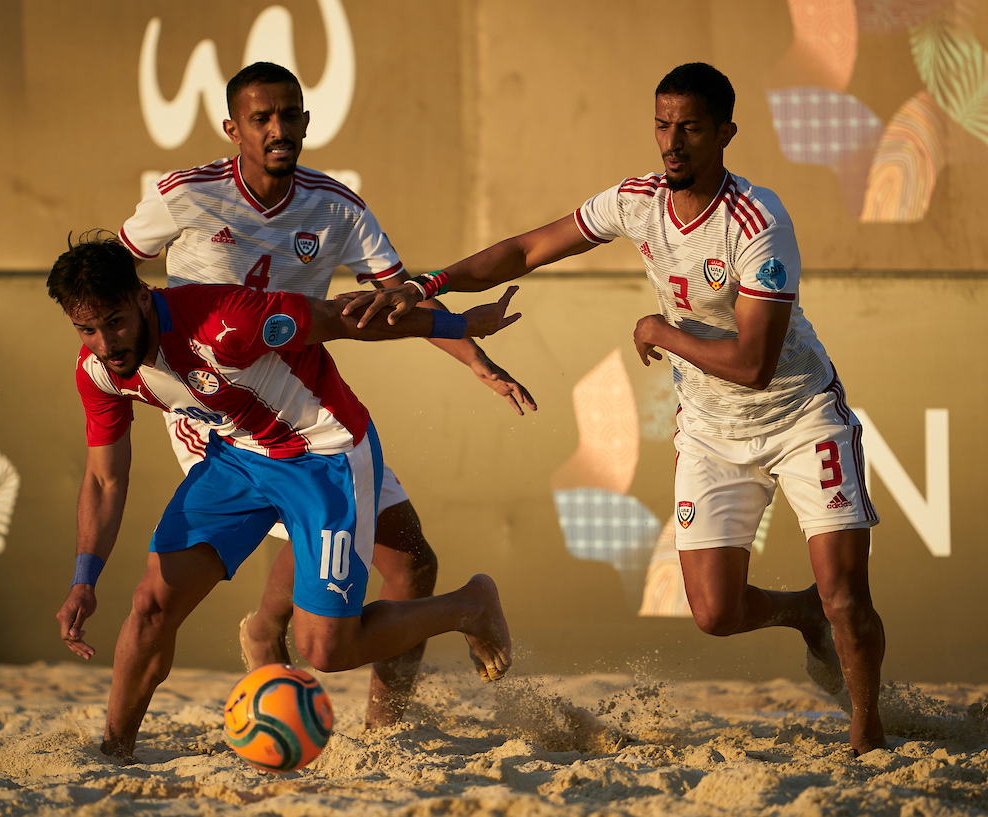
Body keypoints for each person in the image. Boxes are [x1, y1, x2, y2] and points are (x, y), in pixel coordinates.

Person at [342, 62, 885, 755]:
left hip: (799, 414)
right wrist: (429, 282)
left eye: (689, 126)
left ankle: (867, 735)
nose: (672, 141)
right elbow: (527, 248)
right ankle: (800, 611)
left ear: (725, 133)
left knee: (848, 595)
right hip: (713, 429)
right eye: (663, 124)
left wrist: (662, 332)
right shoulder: (638, 200)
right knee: (715, 613)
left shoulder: (759, 221)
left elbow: (753, 365)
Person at [117, 61, 536, 728]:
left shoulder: (337, 208)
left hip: (308, 412)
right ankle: (256, 643)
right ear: (234, 129)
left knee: (412, 563)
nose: (279, 129)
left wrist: (475, 358)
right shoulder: (184, 196)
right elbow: (115, 277)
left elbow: (393, 303)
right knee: (293, 534)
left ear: (307, 122)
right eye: (262, 118)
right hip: (218, 420)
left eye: (290, 116)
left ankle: (381, 733)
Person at [48, 232, 515, 762]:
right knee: (151, 605)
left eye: (114, 322)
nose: (106, 344)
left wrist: (460, 326)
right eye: (87, 330)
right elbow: (105, 480)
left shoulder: (228, 321)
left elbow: (344, 319)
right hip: (240, 454)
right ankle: (115, 752)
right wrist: (83, 580)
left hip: (326, 455)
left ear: (140, 297)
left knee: (326, 650)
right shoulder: (100, 371)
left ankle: (470, 606)